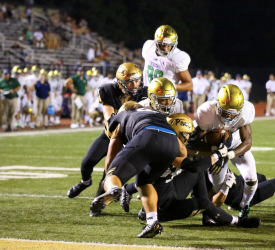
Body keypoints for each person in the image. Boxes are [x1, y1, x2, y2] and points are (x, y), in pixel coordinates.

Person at [123, 113, 261, 229]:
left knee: (196, 174)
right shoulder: (167, 150)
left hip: (168, 189)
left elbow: (194, 161)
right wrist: (217, 155)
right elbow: (195, 165)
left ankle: (207, 215)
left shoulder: (169, 142)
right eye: (186, 134)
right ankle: (237, 221)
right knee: (205, 202)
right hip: (164, 206)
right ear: (178, 133)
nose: (189, 137)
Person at [89, 102, 183, 238]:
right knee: (145, 182)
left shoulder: (122, 115)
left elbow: (113, 148)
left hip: (146, 135)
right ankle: (152, 221)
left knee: (114, 175)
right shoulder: (158, 115)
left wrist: (109, 176)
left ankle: (114, 189)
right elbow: (183, 152)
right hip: (171, 143)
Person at [67, 63, 148, 198]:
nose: (134, 85)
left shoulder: (144, 93)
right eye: (129, 82)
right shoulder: (109, 90)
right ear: (120, 83)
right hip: (111, 134)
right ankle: (85, 182)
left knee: (108, 174)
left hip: (129, 141)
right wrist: (116, 121)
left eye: (136, 80)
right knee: (86, 163)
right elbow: (109, 117)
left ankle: (100, 199)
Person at [195, 84, 258, 218]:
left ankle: (244, 205)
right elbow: (195, 142)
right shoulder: (206, 112)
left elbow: (247, 142)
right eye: (225, 113)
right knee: (217, 186)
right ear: (217, 105)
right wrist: (214, 151)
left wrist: (230, 154)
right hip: (216, 149)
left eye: (232, 114)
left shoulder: (246, 111)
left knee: (252, 180)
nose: (229, 117)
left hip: (235, 146)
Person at [142, 25, 193, 92]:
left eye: (169, 45)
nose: (166, 48)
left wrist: (170, 86)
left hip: (165, 99)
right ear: (156, 43)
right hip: (146, 94)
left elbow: (189, 85)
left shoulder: (177, 57)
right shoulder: (149, 47)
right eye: (163, 44)